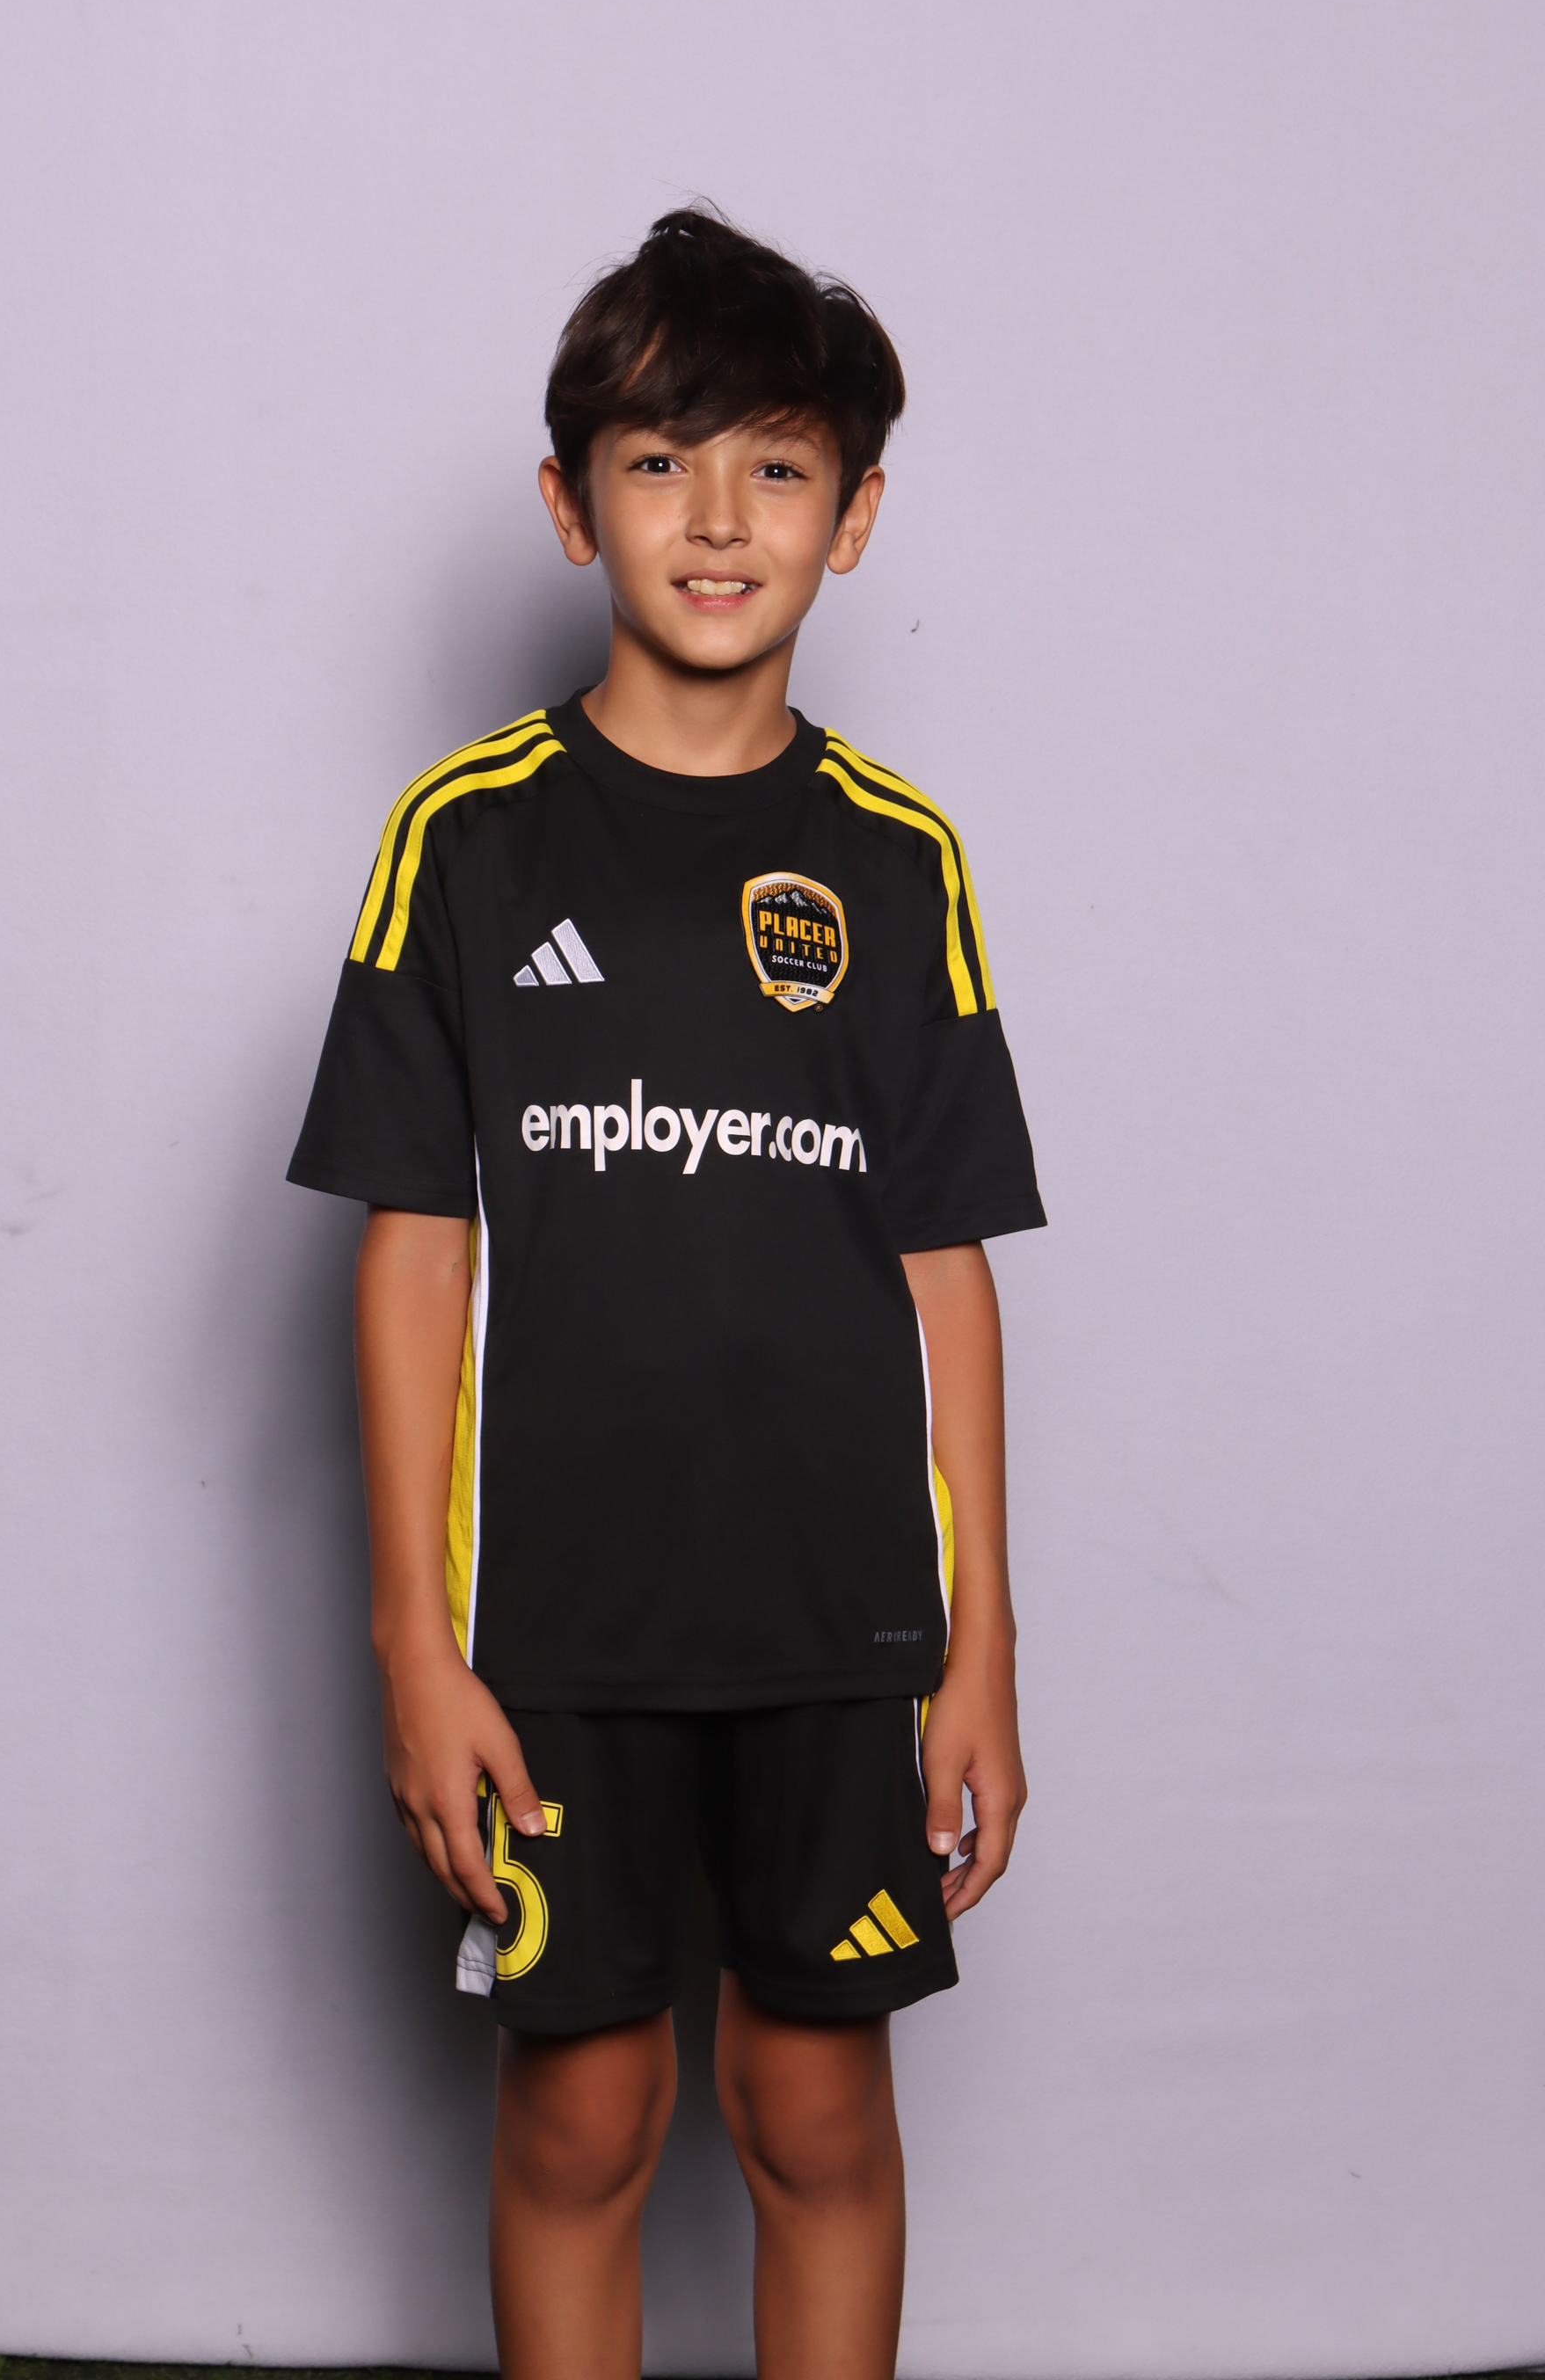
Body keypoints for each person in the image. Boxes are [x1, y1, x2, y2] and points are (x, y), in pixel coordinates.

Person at [288, 207, 1046, 2380]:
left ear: (854, 514)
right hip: (556, 1629)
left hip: (836, 1622)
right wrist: (412, 1641)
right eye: (658, 461)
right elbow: (412, 1243)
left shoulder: (900, 857)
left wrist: (984, 1640)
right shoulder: (465, 838)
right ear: (569, 503)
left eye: (776, 467)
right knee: (584, 2108)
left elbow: (940, 1258)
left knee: (815, 2106)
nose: (718, 519)